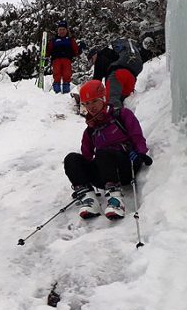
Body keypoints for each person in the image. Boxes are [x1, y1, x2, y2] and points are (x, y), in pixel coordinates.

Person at [64, 79, 152, 220]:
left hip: (126, 165)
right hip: (104, 172)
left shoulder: (121, 115)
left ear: (103, 98)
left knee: (103, 153)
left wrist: (141, 153)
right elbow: (86, 157)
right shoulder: (90, 130)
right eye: (87, 104)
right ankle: (88, 199)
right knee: (71, 159)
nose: (90, 107)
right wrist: (80, 176)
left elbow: (137, 136)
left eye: (94, 101)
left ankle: (116, 201)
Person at [86, 38, 143, 108]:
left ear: (94, 55)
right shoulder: (111, 52)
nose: (93, 63)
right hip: (131, 77)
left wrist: (88, 94)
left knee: (112, 104)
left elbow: (96, 80)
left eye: (91, 61)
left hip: (116, 76)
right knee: (127, 102)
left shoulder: (99, 58)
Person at [46, 20, 80, 94]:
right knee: (57, 74)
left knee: (67, 75)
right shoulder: (54, 40)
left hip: (67, 60)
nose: (62, 31)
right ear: (58, 30)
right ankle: (56, 91)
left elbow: (76, 50)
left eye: (63, 29)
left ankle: (66, 91)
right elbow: (48, 51)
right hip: (56, 60)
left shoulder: (70, 40)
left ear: (66, 30)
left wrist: (79, 49)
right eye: (60, 29)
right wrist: (45, 51)